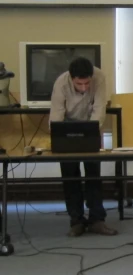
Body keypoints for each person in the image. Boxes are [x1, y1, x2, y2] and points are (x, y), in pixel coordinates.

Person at [49, 57, 117, 237]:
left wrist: (92, 132)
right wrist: (59, 137)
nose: (85, 88)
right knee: (70, 177)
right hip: (67, 129)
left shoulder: (99, 78)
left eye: (87, 83)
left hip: (91, 126)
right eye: (80, 84)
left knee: (93, 174)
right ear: (71, 78)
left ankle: (97, 220)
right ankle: (76, 221)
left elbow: (99, 108)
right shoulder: (61, 83)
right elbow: (56, 115)